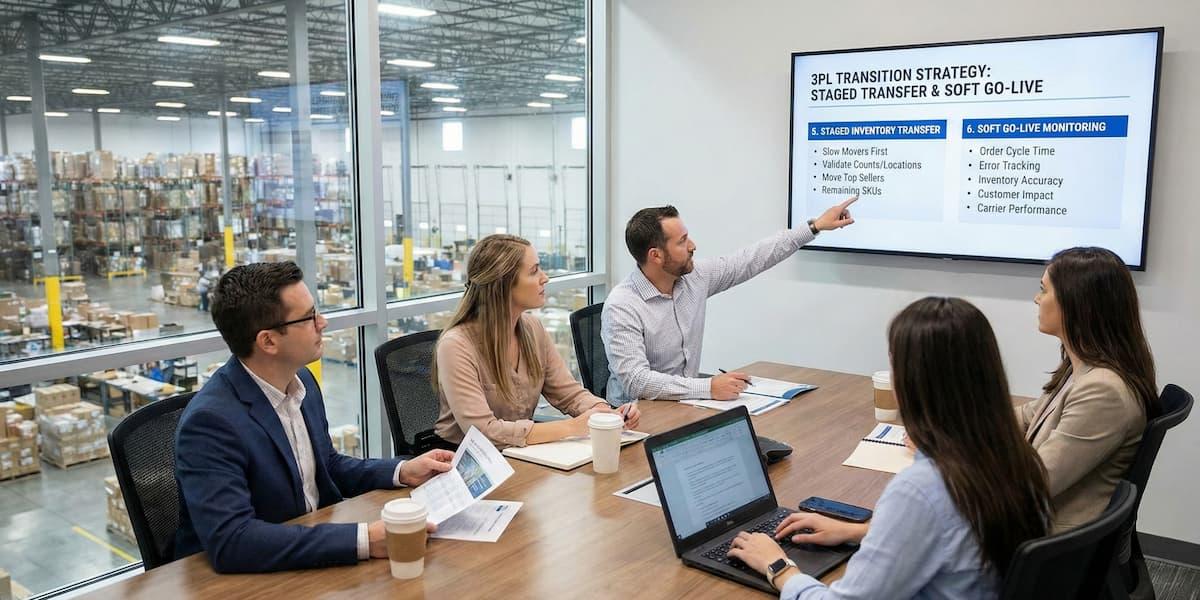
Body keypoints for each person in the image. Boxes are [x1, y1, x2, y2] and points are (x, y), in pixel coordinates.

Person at [727, 297, 1051, 598]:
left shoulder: (922, 489)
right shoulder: (1019, 460)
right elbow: (948, 539)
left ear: (911, 380)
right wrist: (858, 532)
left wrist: (778, 566)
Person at [175, 261, 454, 573]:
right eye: (309, 317)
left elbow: (327, 465)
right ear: (268, 341)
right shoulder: (210, 423)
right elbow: (233, 541)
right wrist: (364, 539)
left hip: (307, 548)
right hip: (247, 579)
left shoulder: (301, 381)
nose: (323, 322)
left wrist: (403, 471)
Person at [601, 197, 856, 405]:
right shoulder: (622, 305)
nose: (692, 246)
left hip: (687, 404)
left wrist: (815, 227)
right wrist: (708, 387)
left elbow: (750, 259)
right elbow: (637, 381)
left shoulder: (694, 278)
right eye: (682, 242)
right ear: (656, 256)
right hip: (636, 417)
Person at [433, 234, 641, 448]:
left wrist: (606, 413)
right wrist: (572, 427)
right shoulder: (456, 346)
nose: (545, 278)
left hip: (521, 452)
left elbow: (568, 394)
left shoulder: (533, 329)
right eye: (534, 271)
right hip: (465, 456)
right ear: (503, 284)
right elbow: (484, 431)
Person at [1020, 246, 1158, 532]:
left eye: (1044, 290)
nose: (1037, 299)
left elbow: (1032, 483)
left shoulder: (1103, 391)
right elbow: (1028, 416)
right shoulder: (1085, 369)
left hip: (1045, 536)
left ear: (1076, 303)